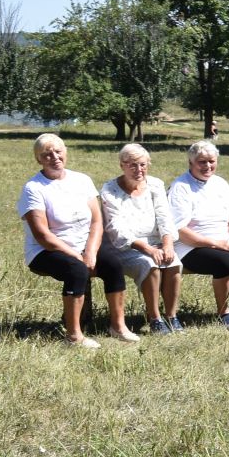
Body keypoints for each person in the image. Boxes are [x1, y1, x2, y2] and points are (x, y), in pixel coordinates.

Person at [18, 133, 128, 347]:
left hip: (83, 246)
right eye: (46, 154)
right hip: (45, 251)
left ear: (65, 153)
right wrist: (77, 256)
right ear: (38, 159)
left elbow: (97, 221)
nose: (54, 157)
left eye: (58, 152)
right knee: (76, 269)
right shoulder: (33, 188)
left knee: (114, 264)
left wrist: (91, 251)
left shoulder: (82, 180)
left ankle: (118, 326)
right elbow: (43, 235)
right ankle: (74, 335)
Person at [168, 140, 229, 328]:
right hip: (190, 246)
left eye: (211, 161)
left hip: (223, 243)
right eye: (202, 162)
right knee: (226, 262)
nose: (208, 166)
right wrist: (218, 245)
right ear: (191, 163)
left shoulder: (220, 184)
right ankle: (223, 313)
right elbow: (180, 231)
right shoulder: (181, 187)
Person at [100, 142, 181, 334]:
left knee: (173, 262)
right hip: (125, 247)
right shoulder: (110, 190)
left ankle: (172, 316)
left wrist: (168, 245)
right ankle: (154, 318)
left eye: (143, 165)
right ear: (122, 165)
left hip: (156, 242)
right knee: (150, 263)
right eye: (132, 165)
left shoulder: (155, 184)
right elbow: (116, 228)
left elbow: (164, 217)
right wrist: (148, 249)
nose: (139, 169)